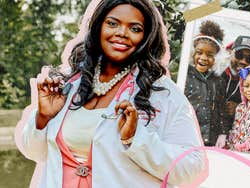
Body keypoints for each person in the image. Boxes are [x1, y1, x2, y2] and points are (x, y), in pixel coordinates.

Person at [18, 0, 205, 187]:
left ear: (146, 37)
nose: (122, 33)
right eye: (113, 23)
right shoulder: (69, 84)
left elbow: (192, 169)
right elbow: (36, 153)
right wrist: (43, 118)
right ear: (99, 27)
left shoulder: (163, 93)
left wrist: (136, 138)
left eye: (135, 28)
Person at [184, 20, 227, 147]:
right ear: (193, 53)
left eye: (209, 55)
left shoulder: (218, 81)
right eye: (199, 52)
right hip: (187, 135)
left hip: (210, 139)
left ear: (216, 58)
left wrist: (223, 133)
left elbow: (222, 108)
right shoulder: (185, 76)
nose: (203, 58)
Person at [216, 36, 250, 148]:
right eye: (239, 55)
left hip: (233, 136)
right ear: (231, 52)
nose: (243, 61)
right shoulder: (216, 72)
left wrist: (239, 108)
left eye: (249, 59)